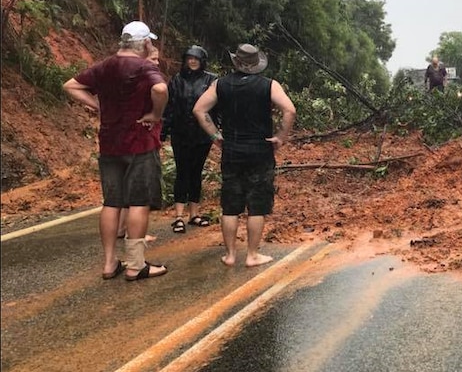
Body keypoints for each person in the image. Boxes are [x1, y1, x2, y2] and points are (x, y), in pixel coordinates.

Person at [63, 21, 168, 281]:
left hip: (109, 143)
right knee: (138, 202)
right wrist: (155, 113)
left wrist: (99, 106)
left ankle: (110, 263)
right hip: (139, 143)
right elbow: (161, 88)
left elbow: (71, 85)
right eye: (150, 43)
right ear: (144, 43)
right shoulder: (144, 66)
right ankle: (135, 264)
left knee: (112, 202)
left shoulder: (105, 65)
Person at [192, 44, 296, 268]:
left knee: (230, 205)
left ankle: (230, 255)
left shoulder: (220, 84)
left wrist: (215, 136)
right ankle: (252, 255)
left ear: (236, 62)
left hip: (232, 149)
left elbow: (199, 109)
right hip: (260, 149)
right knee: (257, 205)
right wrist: (280, 137)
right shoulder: (269, 85)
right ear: (256, 63)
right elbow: (290, 110)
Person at [161, 45, 218, 234]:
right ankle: (178, 216)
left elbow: (216, 108)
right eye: (189, 58)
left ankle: (194, 213)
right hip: (180, 133)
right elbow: (169, 107)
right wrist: (163, 131)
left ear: (202, 61)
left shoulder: (211, 80)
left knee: (196, 172)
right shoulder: (177, 80)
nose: (192, 61)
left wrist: (217, 130)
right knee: (182, 172)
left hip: (202, 135)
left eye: (196, 58)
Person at [117, 46, 161, 242]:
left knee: (125, 190)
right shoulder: (147, 80)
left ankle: (122, 228)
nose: (157, 63)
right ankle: (134, 234)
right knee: (139, 193)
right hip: (142, 141)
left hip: (122, 141)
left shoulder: (126, 78)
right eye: (154, 58)